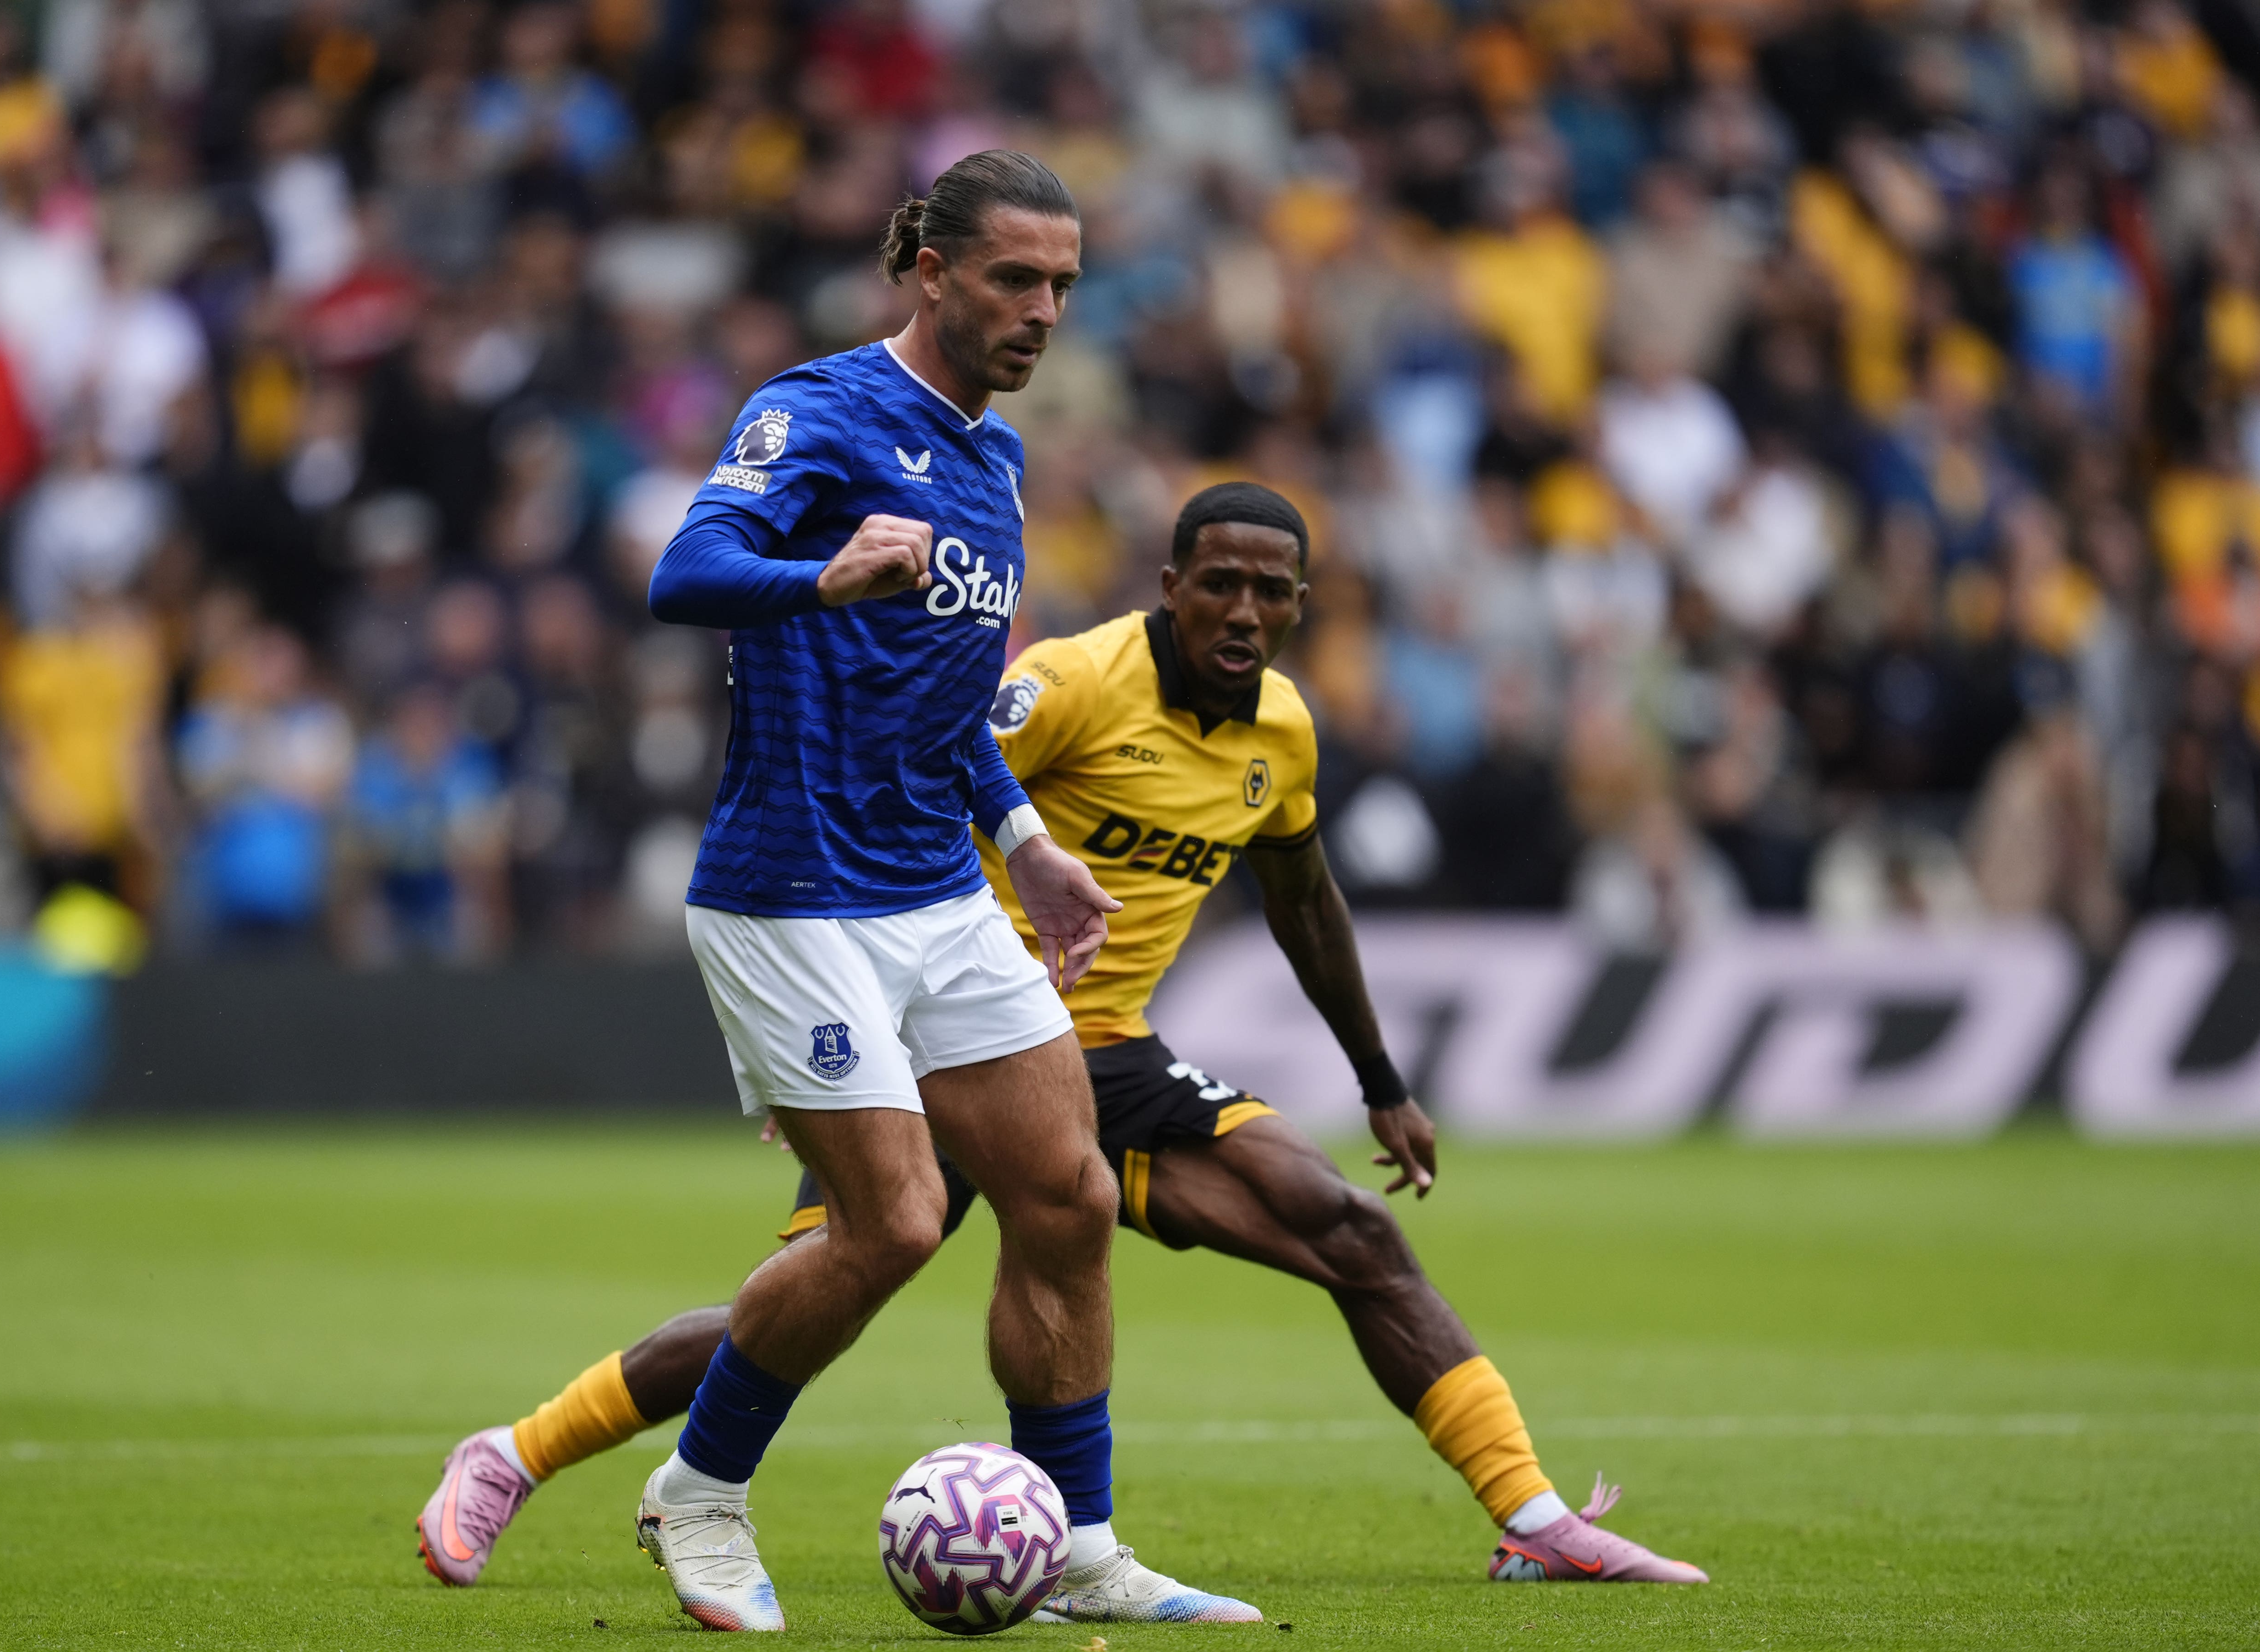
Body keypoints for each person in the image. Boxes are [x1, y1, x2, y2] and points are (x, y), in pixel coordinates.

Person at [414, 483, 1710, 1606]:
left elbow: (1303, 900)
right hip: (950, 1040)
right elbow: (917, 768)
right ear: (1171, 587)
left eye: (1271, 592)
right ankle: (514, 1456)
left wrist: (1380, 1083)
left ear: (1304, 603)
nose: (1242, 613)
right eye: (1218, 587)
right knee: (825, 1291)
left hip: (1111, 1061)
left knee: (1348, 1232)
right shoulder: (1074, 683)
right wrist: (846, 1018)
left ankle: (1533, 1526)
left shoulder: (1284, 735)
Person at [417, 150, 1252, 1631]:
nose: (1044, 310)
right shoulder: (814, 411)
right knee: (894, 1227)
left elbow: (942, 711)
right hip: (790, 893)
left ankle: (1075, 1548)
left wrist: (1025, 839)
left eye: (1063, 283)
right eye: (1014, 279)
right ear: (930, 271)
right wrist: (818, 579)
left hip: (934, 887)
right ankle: (700, 1492)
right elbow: (685, 571)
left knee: (1062, 1196)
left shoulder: (991, 463)